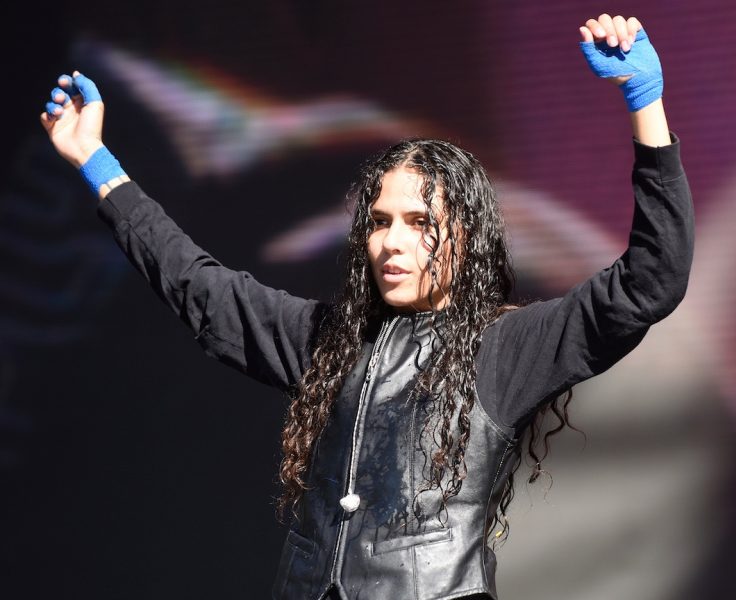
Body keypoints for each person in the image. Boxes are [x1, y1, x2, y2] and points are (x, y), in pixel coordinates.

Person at [40, 13, 694, 600]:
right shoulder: (327, 339)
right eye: (379, 222)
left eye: (419, 221)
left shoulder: (505, 347)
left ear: (464, 239)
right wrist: (97, 164)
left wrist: (645, 104)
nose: (392, 241)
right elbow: (197, 286)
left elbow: (649, 281)